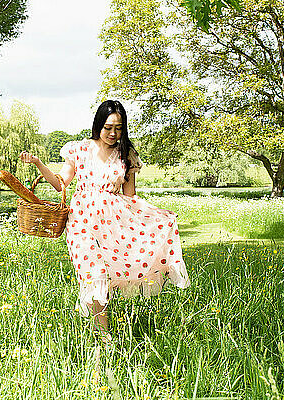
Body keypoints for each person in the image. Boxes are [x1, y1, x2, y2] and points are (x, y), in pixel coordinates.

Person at [19, 100, 190, 344]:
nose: (113, 133)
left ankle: (106, 333)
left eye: (118, 128)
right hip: (81, 223)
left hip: (114, 223)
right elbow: (60, 183)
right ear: (98, 124)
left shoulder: (126, 155)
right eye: (108, 127)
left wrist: (157, 217)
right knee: (94, 274)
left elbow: (130, 197)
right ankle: (104, 337)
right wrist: (38, 164)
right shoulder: (78, 150)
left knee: (112, 275)